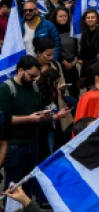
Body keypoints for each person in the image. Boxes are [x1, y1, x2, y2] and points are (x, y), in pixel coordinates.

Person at [0, 56, 50, 199]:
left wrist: (44, 114)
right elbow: (4, 119)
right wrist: (29, 118)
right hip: (14, 145)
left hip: (32, 143)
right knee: (13, 185)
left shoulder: (33, 87)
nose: (34, 79)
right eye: (31, 75)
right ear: (21, 70)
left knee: (28, 184)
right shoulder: (6, 89)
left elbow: (38, 108)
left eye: (36, 76)